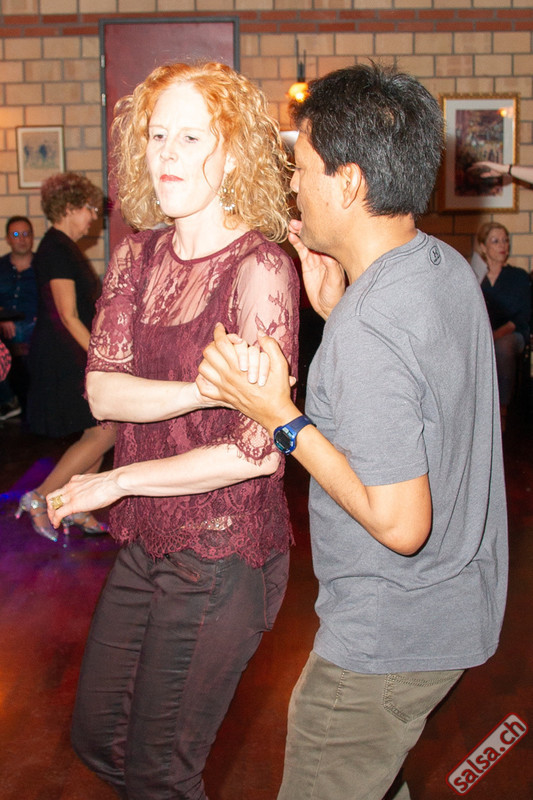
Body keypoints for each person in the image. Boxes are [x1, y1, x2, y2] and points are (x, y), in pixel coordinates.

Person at [197, 63, 508, 800]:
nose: (293, 184)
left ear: (348, 184)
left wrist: (279, 417)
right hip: (451, 608)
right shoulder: (440, 266)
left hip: (387, 635)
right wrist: (339, 310)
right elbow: (415, 393)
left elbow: (400, 525)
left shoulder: (371, 328)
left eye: (302, 166)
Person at [46, 62, 299, 799]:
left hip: (222, 551)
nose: (167, 154)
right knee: (99, 738)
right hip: (147, 540)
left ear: (232, 153)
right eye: (157, 135)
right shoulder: (136, 255)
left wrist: (116, 480)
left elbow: (255, 451)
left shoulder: (261, 269)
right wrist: (204, 390)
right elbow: (103, 392)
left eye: (191, 137)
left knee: (160, 773)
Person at [16, 173, 115, 542]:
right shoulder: (56, 248)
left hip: (69, 353)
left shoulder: (63, 247)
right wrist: (102, 359)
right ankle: (40, 498)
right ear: (70, 207)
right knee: (104, 430)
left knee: (103, 430)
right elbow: (68, 315)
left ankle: (73, 506)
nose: (94, 218)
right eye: (90, 209)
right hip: (64, 356)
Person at [476, 221, 531, 428]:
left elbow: (521, 317)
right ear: (483, 247)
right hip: (484, 334)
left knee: (503, 346)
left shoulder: (518, 276)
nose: (502, 246)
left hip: (512, 334)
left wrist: (493, 336)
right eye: (496, 241)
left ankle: (502, 410)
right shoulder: (475, 277)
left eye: (505, 241)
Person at [0, 215, 38, 419]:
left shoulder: (43, 265)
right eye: (16, 234)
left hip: (35, 325)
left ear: (32, 237)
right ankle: (8, 399)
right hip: (4, 327)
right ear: (8, 238)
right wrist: (3, 317)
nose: (22, 239)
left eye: (26, 234)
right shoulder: (1, 266)